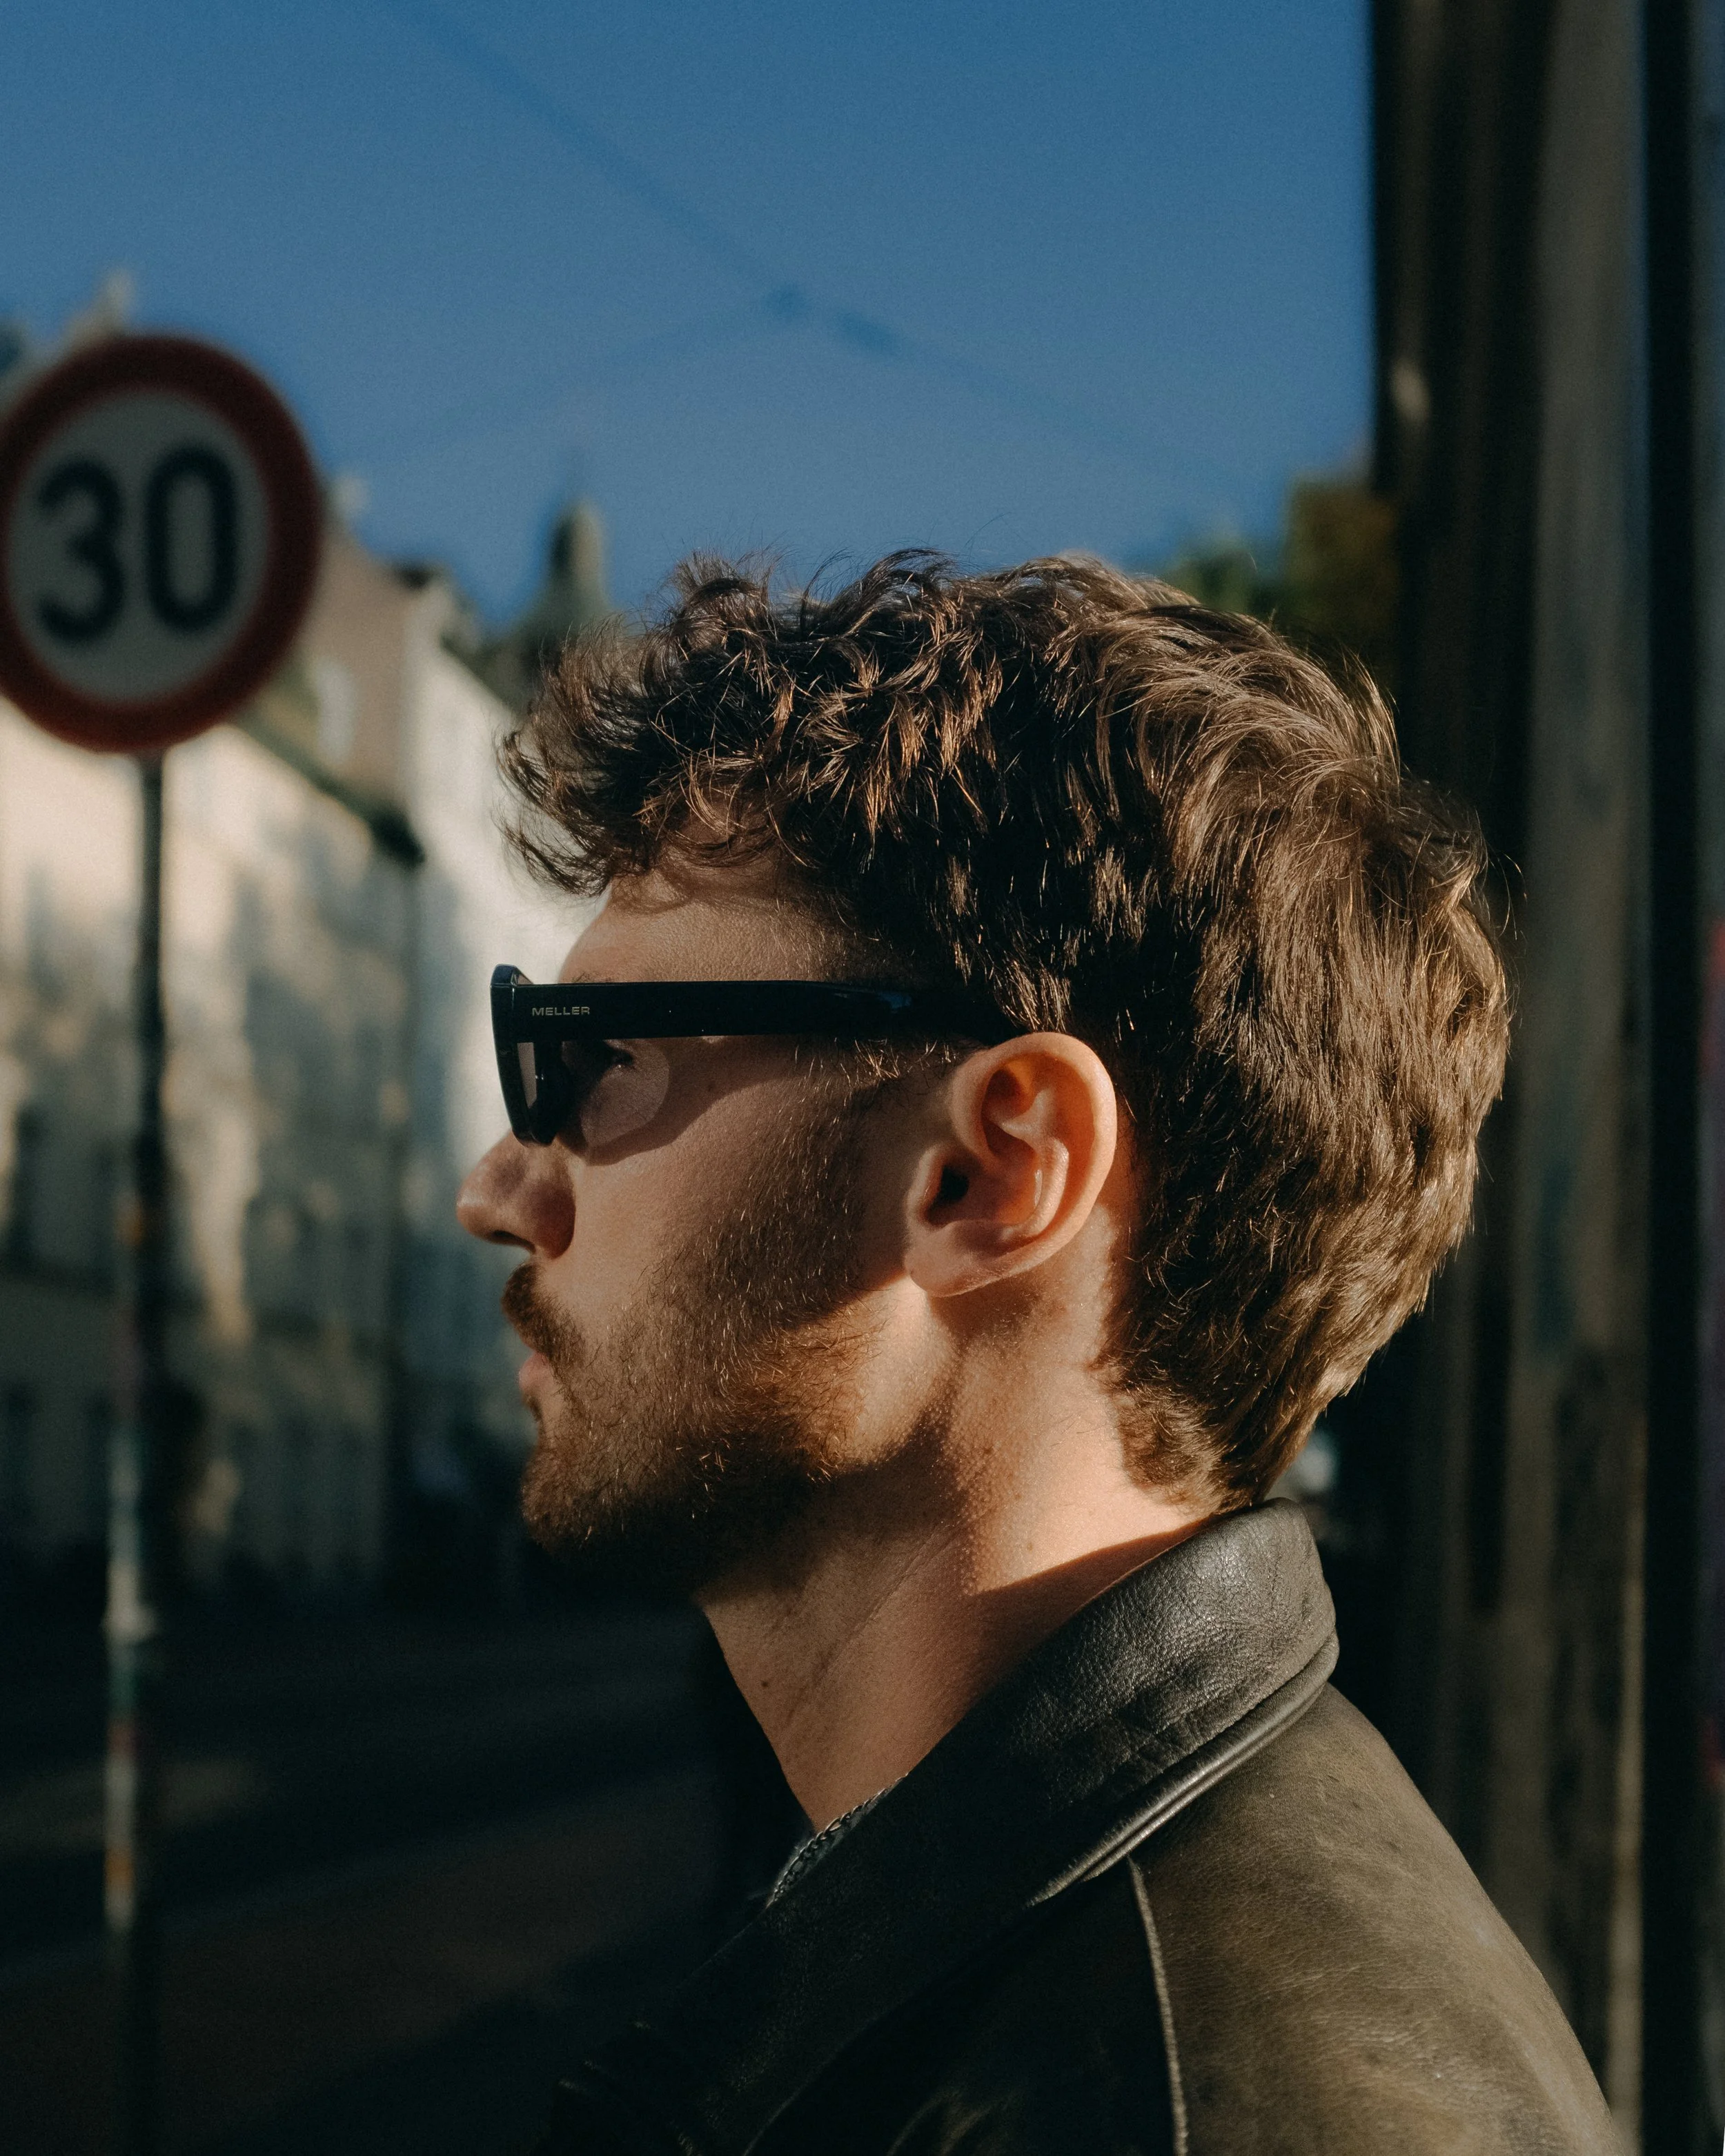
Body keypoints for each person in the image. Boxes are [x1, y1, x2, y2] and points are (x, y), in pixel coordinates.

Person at [456, 553, 1616, 2153]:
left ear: (991, 1171)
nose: (499, 1188)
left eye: (594, 1066)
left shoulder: (1180, 2099)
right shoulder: (1105, 1965)